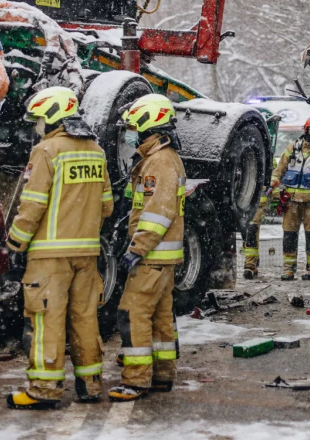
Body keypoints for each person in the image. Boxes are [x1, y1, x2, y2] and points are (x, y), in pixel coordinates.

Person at [5, 86, 113, 409]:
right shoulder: (97, 151)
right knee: (84, 319)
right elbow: (106, 206)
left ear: (53, 116)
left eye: (38, 119)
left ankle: (44, 390)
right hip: (88, 254)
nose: (36, 126)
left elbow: (32, 204)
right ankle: (90, 384)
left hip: (49, 257)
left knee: (47, 320)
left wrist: (15, 242)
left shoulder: (47, 151)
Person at [109, 94, 186, 402]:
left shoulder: (160, 162)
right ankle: (162, 374)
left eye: (132, 126)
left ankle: (136, 380)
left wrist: (137, 249)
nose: (130, 132)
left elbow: (158, 212)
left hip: (152, 255)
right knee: (160, 316)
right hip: (162, 257)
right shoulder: (159, 159)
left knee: (133, 313)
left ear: (147, 125)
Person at [271, 114, 310, 280]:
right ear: (306, 129)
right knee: (289, 234)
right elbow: (280, 168)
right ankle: (288, 269)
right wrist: (274, 181)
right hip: (292, 200)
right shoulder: (292, 148)